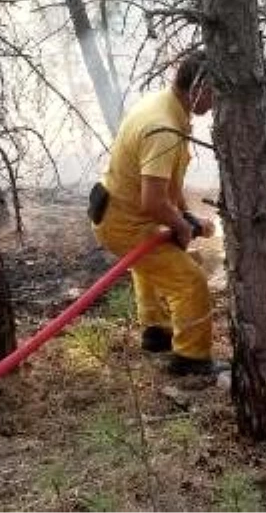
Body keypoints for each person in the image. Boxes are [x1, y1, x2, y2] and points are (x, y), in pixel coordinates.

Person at [90, 49, 224, 376]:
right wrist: (180, 225)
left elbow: (164, 185)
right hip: (124, 223)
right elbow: (152, 202)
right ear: (198, 88)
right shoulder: (163, 128)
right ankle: (191, 359)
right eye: (214, 92)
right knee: (190, 281)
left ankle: (156, 332)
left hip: (117, 210)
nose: (217, 101)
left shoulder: (165, 105)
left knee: (149, 263)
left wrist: (183, 215)